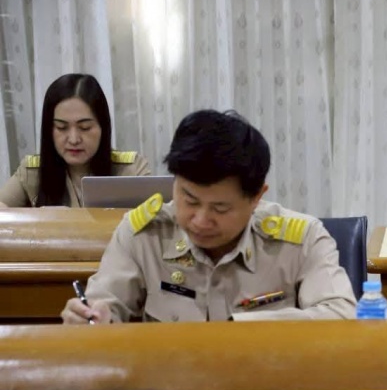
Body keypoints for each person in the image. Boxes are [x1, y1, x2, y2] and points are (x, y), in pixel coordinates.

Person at [60, 109, 357, 323]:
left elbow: (341, 315)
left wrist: (242, 327)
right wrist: (91, 317)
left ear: (257, 197)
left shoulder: (301, 239)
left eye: (220, 208)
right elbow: (104, 307)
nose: (200, 220)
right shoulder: (144, 235)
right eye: (189, 200)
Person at [0, 73, 150, 208]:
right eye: (62, 127)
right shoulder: (32, 172)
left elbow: (158, 218)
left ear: (103, 128)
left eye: (85, 128)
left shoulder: (131, 170)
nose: (73, 139)